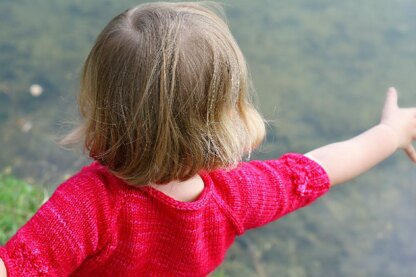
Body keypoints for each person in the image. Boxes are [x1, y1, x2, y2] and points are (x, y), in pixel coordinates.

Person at [1, 2, 415, 276]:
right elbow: (317, 170)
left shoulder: (87, 206)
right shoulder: (235, 195)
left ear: (105, 108)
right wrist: (391, 133)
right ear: (222, 120)